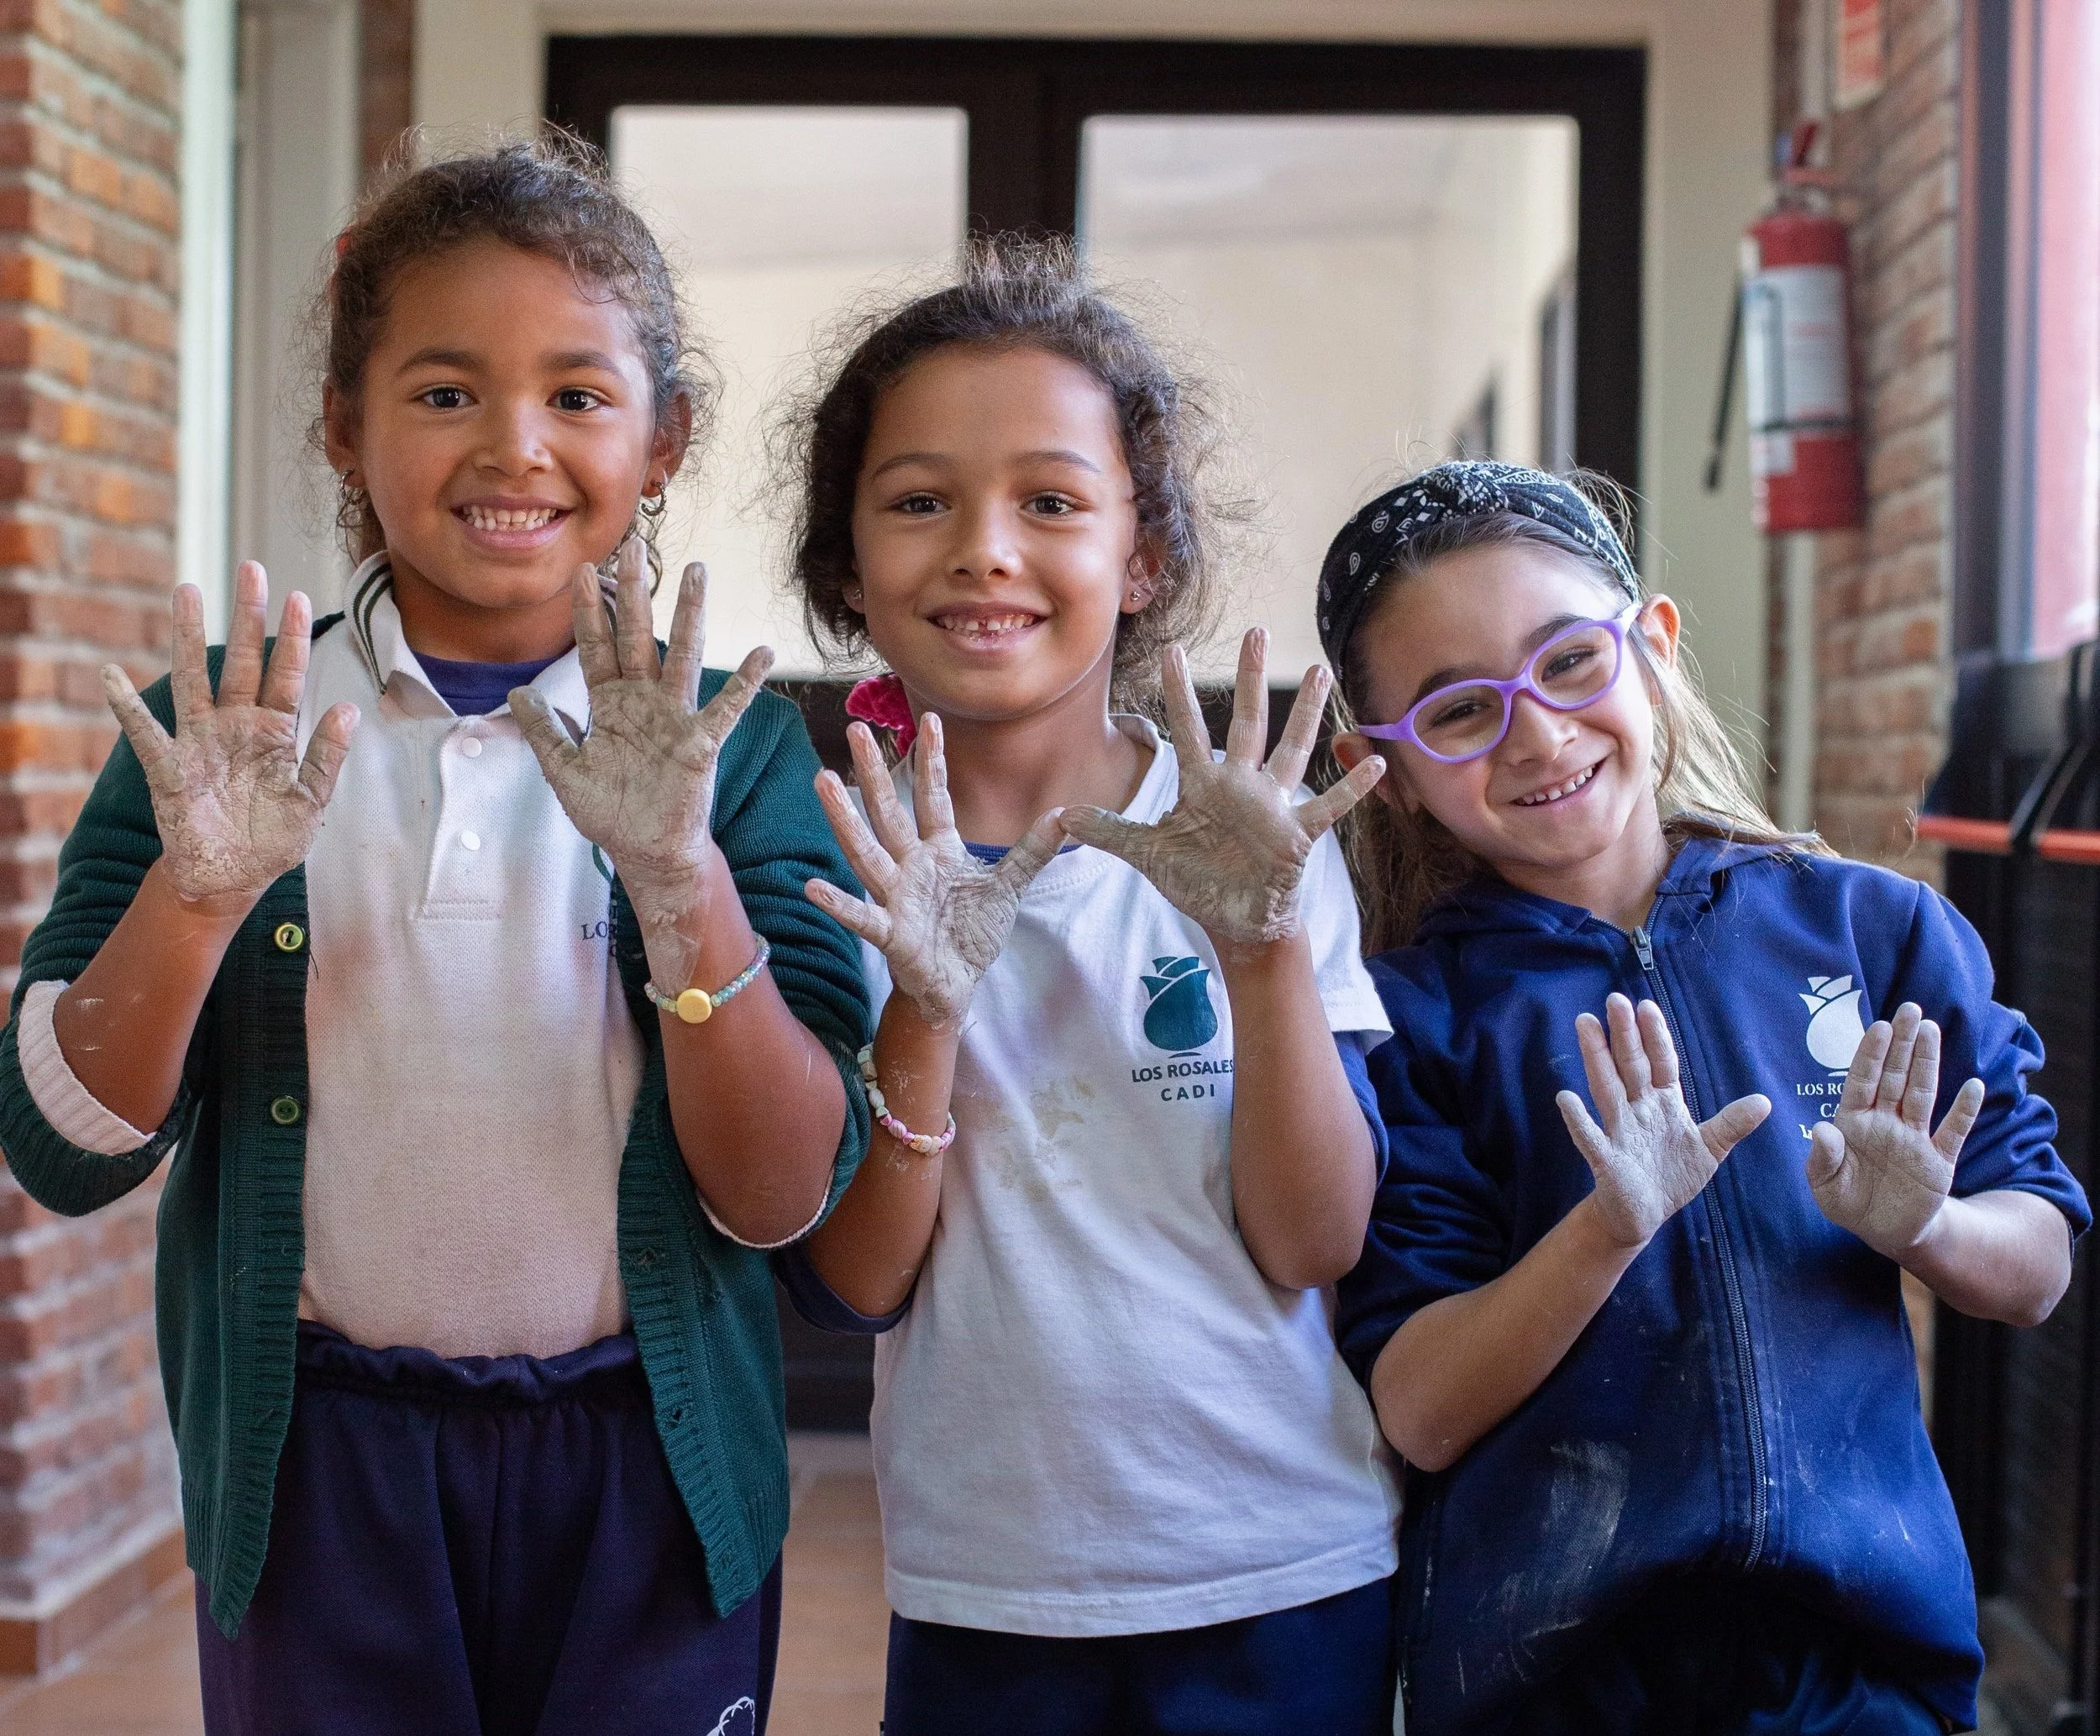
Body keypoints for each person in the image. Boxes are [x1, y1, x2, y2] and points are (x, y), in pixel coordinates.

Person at [0, 140, 870, 1734]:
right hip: (321, 1464)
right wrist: (198, 893)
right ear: (347, 421)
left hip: (647, 1469)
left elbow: (784, 1194)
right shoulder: (236, 727)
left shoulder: (729, 749)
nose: (516, 447)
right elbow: (65, 1149)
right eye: (447, 391)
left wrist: (680, 873)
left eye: (581, 396)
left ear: (663, 435)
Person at [1320, 459, 2089, 1736]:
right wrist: (1602, 1230)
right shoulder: (1413, 1018)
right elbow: (1419, 1406)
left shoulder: (1879, 930)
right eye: (1460, 709)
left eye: (1571, 660)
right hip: (1556, 1690)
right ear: (1383, 765)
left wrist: (1927, 1226)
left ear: (1654, 646)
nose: (1538, 733)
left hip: (1865, 1675)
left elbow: (2040, 1267)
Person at [770, 237, 1403, 1736]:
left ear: (1146, 557)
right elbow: (858, 1284)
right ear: (848, 565)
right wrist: (922, 1005)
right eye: (920, 501)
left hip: (1283, 1566)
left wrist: (1256, 953)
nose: (986, 548)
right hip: (987, 1585)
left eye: (1050, 502)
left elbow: (1317, 1236)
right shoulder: (830, 859)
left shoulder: (1251, 832)